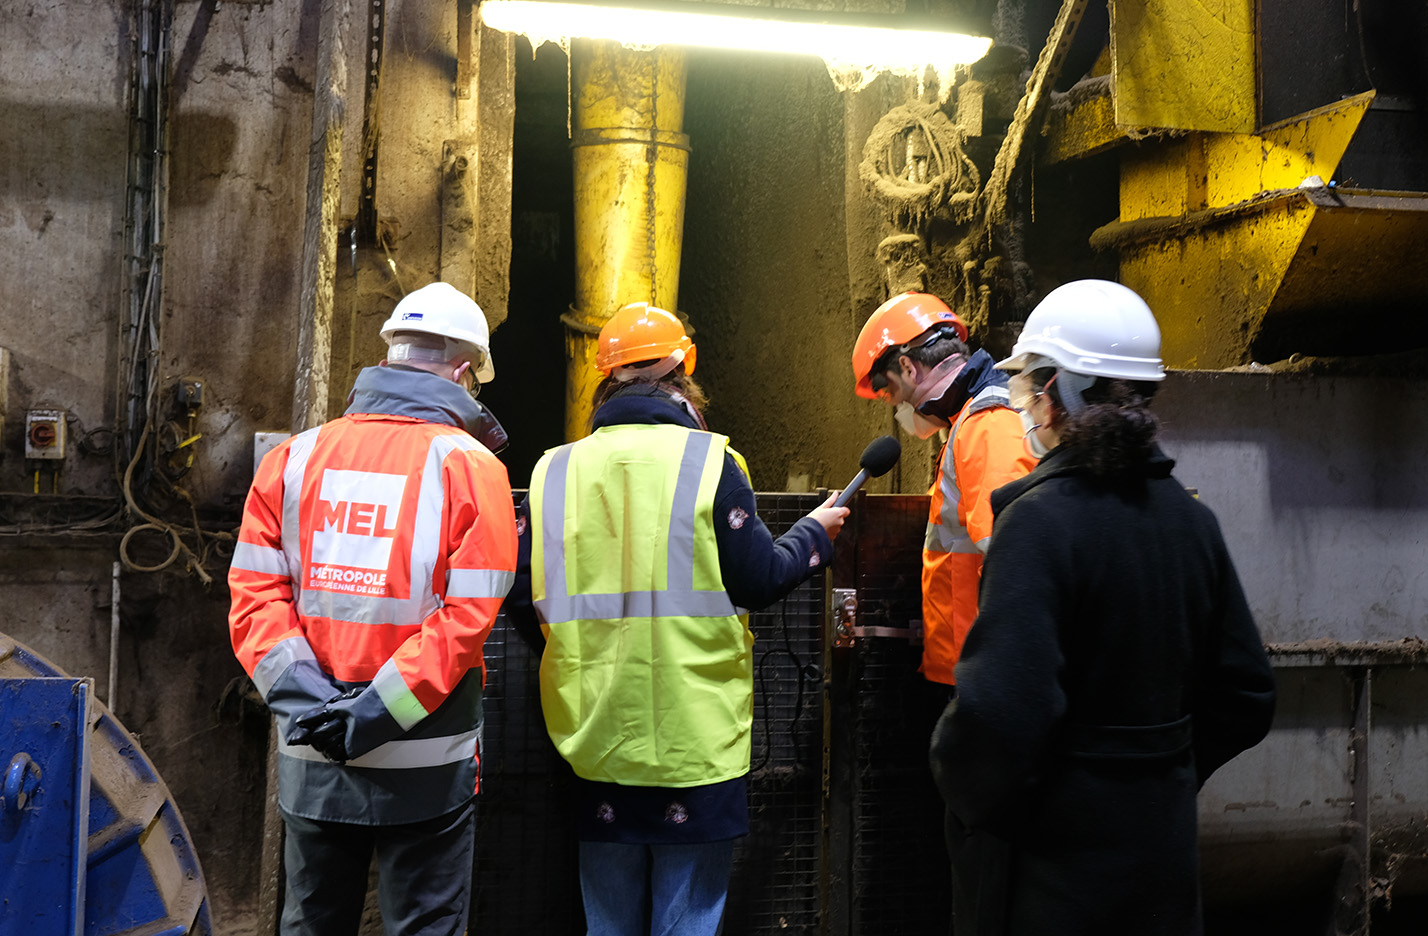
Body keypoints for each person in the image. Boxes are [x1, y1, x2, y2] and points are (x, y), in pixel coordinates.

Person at [929, 279, 1277, 936]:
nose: (1024, 400)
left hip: (1055, 880)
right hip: (1162, 870)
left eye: (1031, 383)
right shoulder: (1190, 520)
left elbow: (1000, 717)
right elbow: (1247, 694)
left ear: (1062, 390)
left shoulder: (1037, 524)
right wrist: (1159, 773)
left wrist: (965, 787)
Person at [502, 301, 850, 936]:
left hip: (594, 735)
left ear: (604, 384)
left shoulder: (552, 470)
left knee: (606, 922)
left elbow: (524, 598)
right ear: (683, 376)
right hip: (695, 742)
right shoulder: (711, 462)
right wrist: (812, 536)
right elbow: (759, 579)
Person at [228, 281, 518, 936]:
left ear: (388, 356)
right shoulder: (473, 468)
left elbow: (255, 601)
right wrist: (375, 713)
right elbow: (465, 622)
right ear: (466, 370)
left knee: (312, 924)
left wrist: (318, 715)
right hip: (426, 767)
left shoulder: (292, 459)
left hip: (313, 760)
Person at [850, 292, 1036, 922]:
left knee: (984, 878)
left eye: (890, 392)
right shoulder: (973, 424)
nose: (896, 408)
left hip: (985, 692)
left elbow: (1012, 559)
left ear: (907, 367)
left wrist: (989, 690)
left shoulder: (987, 426)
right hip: (973, 680)